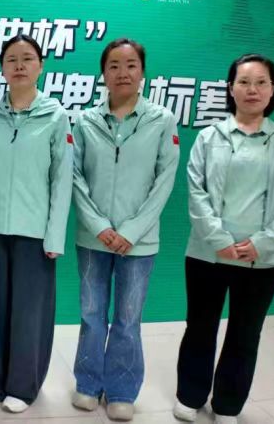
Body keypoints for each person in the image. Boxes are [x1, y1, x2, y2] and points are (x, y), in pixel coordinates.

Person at [173, 54, 274, 424]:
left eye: (261, 82)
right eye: (244, 82)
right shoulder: (209, 136)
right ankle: (190, 395)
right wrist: (218, 238)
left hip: (262, 259)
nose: (252, 90)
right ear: (230, 88)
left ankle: (228, 405)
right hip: (208, 253)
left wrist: (262, 243)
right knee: (200, 327)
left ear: (273, 90)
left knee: (246, 334)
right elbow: (196, 191)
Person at [69, 38, 179, 421]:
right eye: (114, 65)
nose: (122, 73)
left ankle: (121, 390)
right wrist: (100, 226)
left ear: (143, 72)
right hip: (92, 238)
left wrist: (131, 231)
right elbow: (74, 177)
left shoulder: (161, 120)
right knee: (91, 314)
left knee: (128, 319)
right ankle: (87, 384)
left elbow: (164, 181)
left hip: (139, 242)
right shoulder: (85, 120)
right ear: (103, 72)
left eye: (131, 65)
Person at [0, 34, 73, 413]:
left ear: (41, 65)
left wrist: (54, 234)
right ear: (2, 68)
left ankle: (23, 388)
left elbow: (62, 180)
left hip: (35, 233)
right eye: (12, 59)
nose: (20, 65)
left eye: (27, 58)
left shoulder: (56, 116)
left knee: (30, 313)